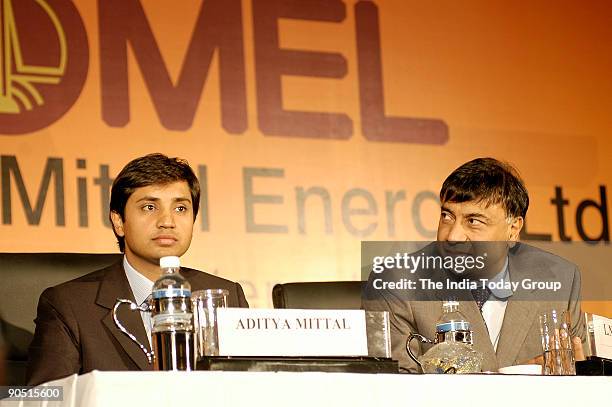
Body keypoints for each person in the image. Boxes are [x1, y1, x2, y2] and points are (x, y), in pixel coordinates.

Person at [27, 154, 248, 385]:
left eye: (181, 208)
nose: (167, 221)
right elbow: (46, 398)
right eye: (149, 207)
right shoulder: (69, 305)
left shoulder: (226, 296)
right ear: (119, 221)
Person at [363, 157, 585, 372]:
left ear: (513, 229)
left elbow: (581, 379)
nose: (453, 236)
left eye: (473, 221)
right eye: (447, 216)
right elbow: (396, 391)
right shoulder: (395, 284)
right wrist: (513, 384)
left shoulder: (560, 280)